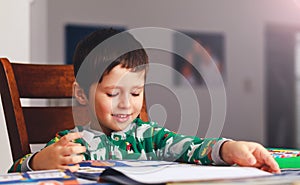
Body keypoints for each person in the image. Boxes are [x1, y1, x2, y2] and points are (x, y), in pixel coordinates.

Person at [8, 28, 280, 173]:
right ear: (81, 93)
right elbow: (15, 169)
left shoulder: (151, 137)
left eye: (136, 93)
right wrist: (40, 161)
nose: (127, 104)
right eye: (113, 94)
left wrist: (228, 148)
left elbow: (192, 148)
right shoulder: (72, 144)